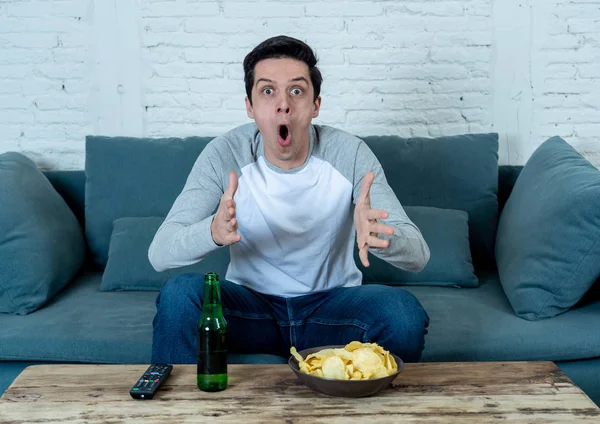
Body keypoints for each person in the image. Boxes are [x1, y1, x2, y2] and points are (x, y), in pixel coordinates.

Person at [149, 35, 431, 365]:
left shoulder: (349, 153)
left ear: (315, 105)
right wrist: (211, 231)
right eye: (268, 91)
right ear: (250, 107)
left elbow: (419, 255)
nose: (283, 104)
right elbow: (159, 253)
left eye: (296, 91)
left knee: (403, 314)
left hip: (331, 309)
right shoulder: (225, 153)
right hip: (252, 309)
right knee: (181, 295)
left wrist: (381, 235)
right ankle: (179, 413)